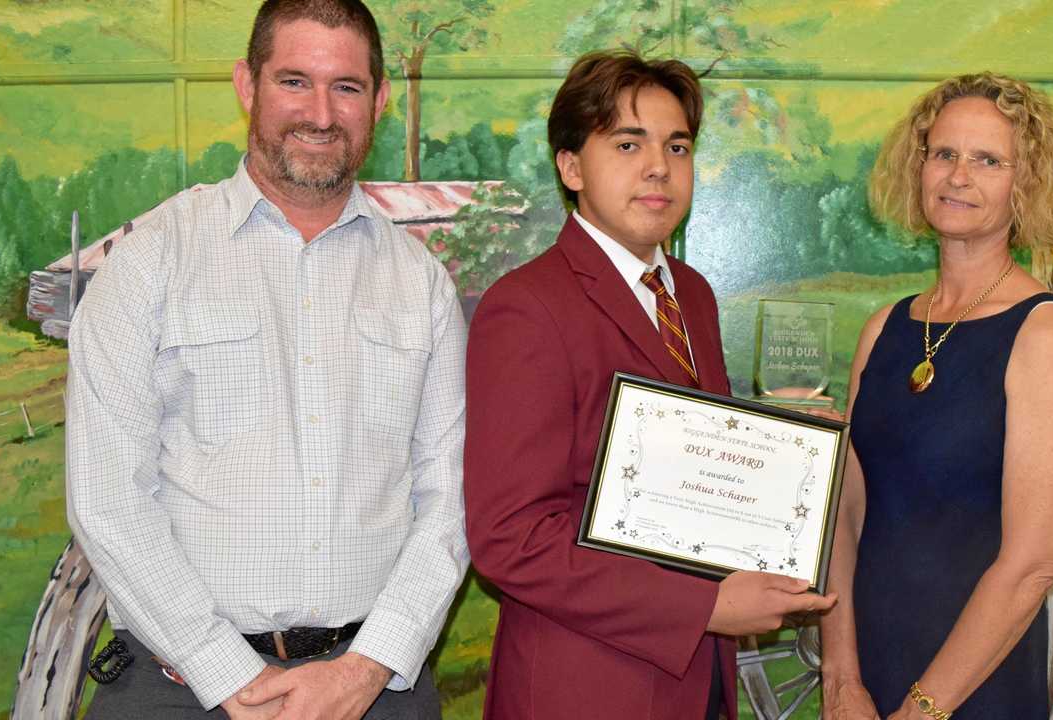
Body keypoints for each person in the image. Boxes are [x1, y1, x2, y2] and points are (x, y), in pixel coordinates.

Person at [65, 1, 468, 717]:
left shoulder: (421, 284)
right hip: (177, 691)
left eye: (345, 86)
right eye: (293, 81)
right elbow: (108, 500)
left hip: (372, 694)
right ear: (247, 86)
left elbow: (451, 499)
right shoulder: (150, 263)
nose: (320, 112)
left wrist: (366, 668)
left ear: (378, 100)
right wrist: (232, 678)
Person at [463, 50, 836, 720]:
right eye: (627, 143)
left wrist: (786, 453)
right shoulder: (527, 307)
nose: (659, 166)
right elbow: (511, 538)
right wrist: (709, 606)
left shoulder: (690, 295)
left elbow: (688, 474)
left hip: (701, 683)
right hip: (585, 690)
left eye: (678, 145)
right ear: (571, 166)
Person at [818, 72, 1053, 720]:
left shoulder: (1046, 333)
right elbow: (844, 518)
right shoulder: (883, 329)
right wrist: (841, 680)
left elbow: (1031, 566)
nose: (957, 176)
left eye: (987, 160)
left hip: (976, 690)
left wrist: (922, 708)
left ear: (1025, 184)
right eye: (943, 154)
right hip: (867, 679)